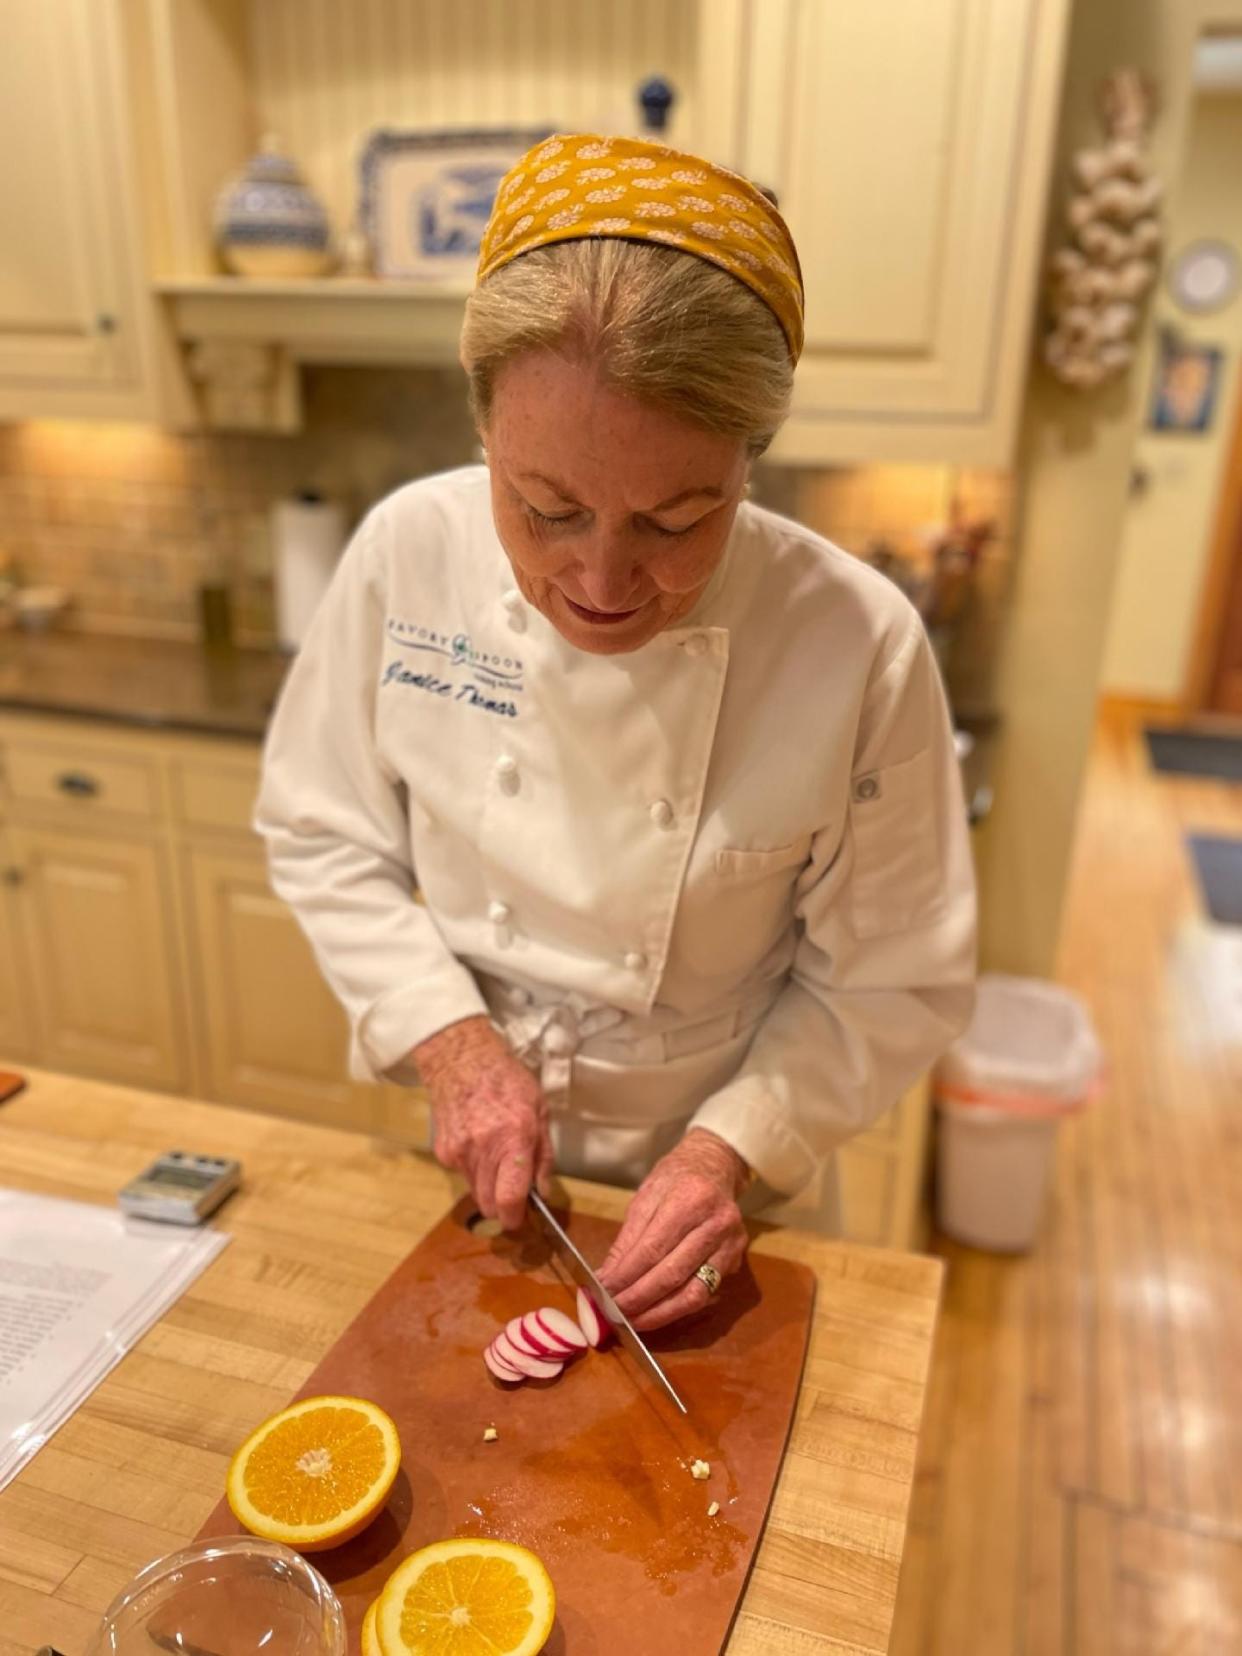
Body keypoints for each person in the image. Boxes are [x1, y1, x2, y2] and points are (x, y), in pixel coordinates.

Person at [256, 133, 976, 1332]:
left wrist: (722, 1158)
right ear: (483, 430)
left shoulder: (856, 641)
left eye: (675, 520)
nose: (598, 579)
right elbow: (320, 830)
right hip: (474, 1165)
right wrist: (452, 1048)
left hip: (734, 1194)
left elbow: (891, 980)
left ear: (752, 465)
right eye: (544, 509)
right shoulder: (406, 554)